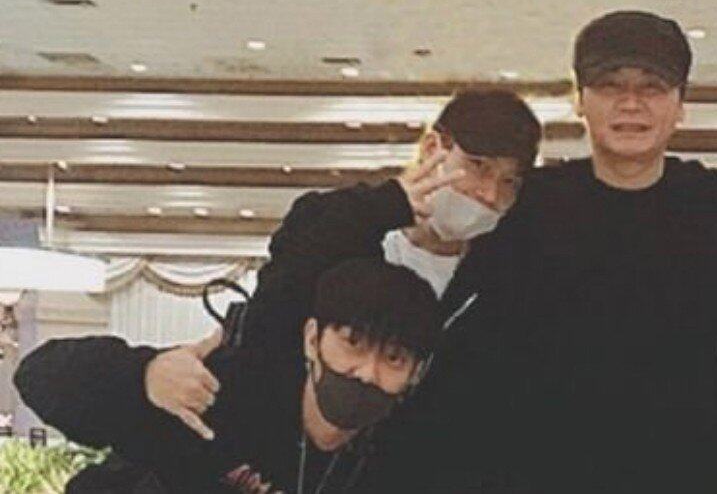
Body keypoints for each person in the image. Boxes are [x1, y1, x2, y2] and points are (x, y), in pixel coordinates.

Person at [360, 10, 717, 493]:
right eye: (609, 85)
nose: (631, 103)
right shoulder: (529, 205)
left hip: (681, 474)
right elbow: (463, 359)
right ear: (578, 99)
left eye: (652, 87)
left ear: (681, 104)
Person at [139, 87, 542, 443]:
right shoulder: (344, 231)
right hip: (290, 447)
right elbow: (273, 314)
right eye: (478, 166)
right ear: (433, 147)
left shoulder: (505, 278)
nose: (490, 194)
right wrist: (383, 205)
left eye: (509, 182)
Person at [15, 259, 442, 493]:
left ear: (415, 372)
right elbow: (38, 377)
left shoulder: (403, 458)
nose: (367, 373)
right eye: (353, 344)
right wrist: (144, 374)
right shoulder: (222, 394)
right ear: (313, 339)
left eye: (393, 359)